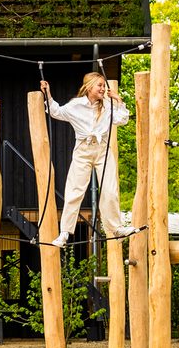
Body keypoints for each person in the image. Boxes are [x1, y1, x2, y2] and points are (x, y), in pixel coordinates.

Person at [40, 70, 135, 247]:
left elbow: (123, 120)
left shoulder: (108, 106)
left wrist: (118, 100)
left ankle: (116, 228)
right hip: (83, 151)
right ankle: (64, 232)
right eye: (100, 85)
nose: (103, 89)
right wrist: (48, 93)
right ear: (89, 87)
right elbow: (55, 112)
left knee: (110, 190)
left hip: (102, 150)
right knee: (74, 191)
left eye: (104, 86)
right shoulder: (76, 105)